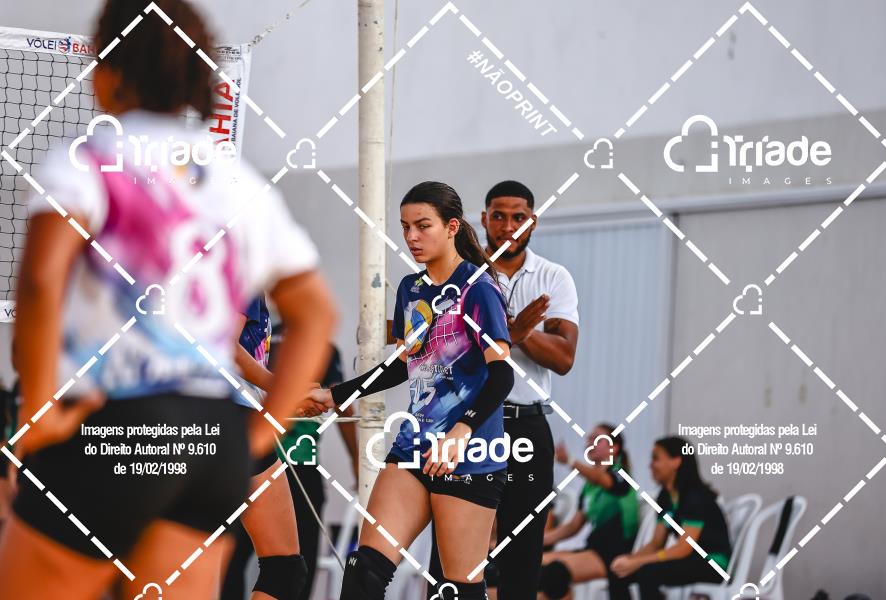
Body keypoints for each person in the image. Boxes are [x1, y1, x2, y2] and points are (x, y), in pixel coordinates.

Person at [0, 2, 336, 599]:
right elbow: (315, 314)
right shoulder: (238, 181)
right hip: (211, 441)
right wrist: (263, 430)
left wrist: (39, 409)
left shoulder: (91, 160)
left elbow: (40, 283)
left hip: (114, 425)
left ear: (106, 72)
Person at [308, 182, 514, 600]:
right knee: (364, 571)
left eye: (423, 225)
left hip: (469, 455)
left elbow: (501, 375)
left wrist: (461, 432)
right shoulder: (411, 289)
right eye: (405, 227)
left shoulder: (477, 288)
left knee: (458, 589)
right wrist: (336, 395)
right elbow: (403, 364)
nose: (412, 237)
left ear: (452, 227)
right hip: (412, 448)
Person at [430, 179, 579, 600]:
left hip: (527, 425)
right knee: (452, 554)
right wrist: (513, 332)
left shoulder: (553, 277)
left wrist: (512, 333)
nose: (508, 226)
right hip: (470, 424)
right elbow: (446, 350)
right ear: (484, 219)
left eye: (518, 217)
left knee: (523, 554)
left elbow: (564, 358)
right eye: (499, 216)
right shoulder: (459, 274)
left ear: (532, 222)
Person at [223, 330, 358, 600]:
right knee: (287, 568)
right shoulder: (318, 344)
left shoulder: (263, 335)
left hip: (252, 452)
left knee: (235, 562)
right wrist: (355, 457)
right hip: (287, 459)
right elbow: (343, 406)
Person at [609, 437, 732, 599]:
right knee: (619, 573)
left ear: (676, 462)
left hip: (712, 563)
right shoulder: (665, 497)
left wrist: (639, 562)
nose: (650, 465)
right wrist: (630, 560)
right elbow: (656, 543)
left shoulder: (696, 497)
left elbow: (683, 548)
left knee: (648, 572)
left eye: (656, 458)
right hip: (687, 559)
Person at [537, 424, 639, 600]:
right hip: (594, 548)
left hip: (614, 554)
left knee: (555, 572)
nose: (589, 441)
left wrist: (570, 461)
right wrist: (532, 540)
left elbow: (602, 479)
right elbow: (572, 527)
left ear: (614, 448)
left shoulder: (621, 476)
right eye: (589, 438)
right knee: (532, 563)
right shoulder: (589, 486)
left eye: (597, 439)